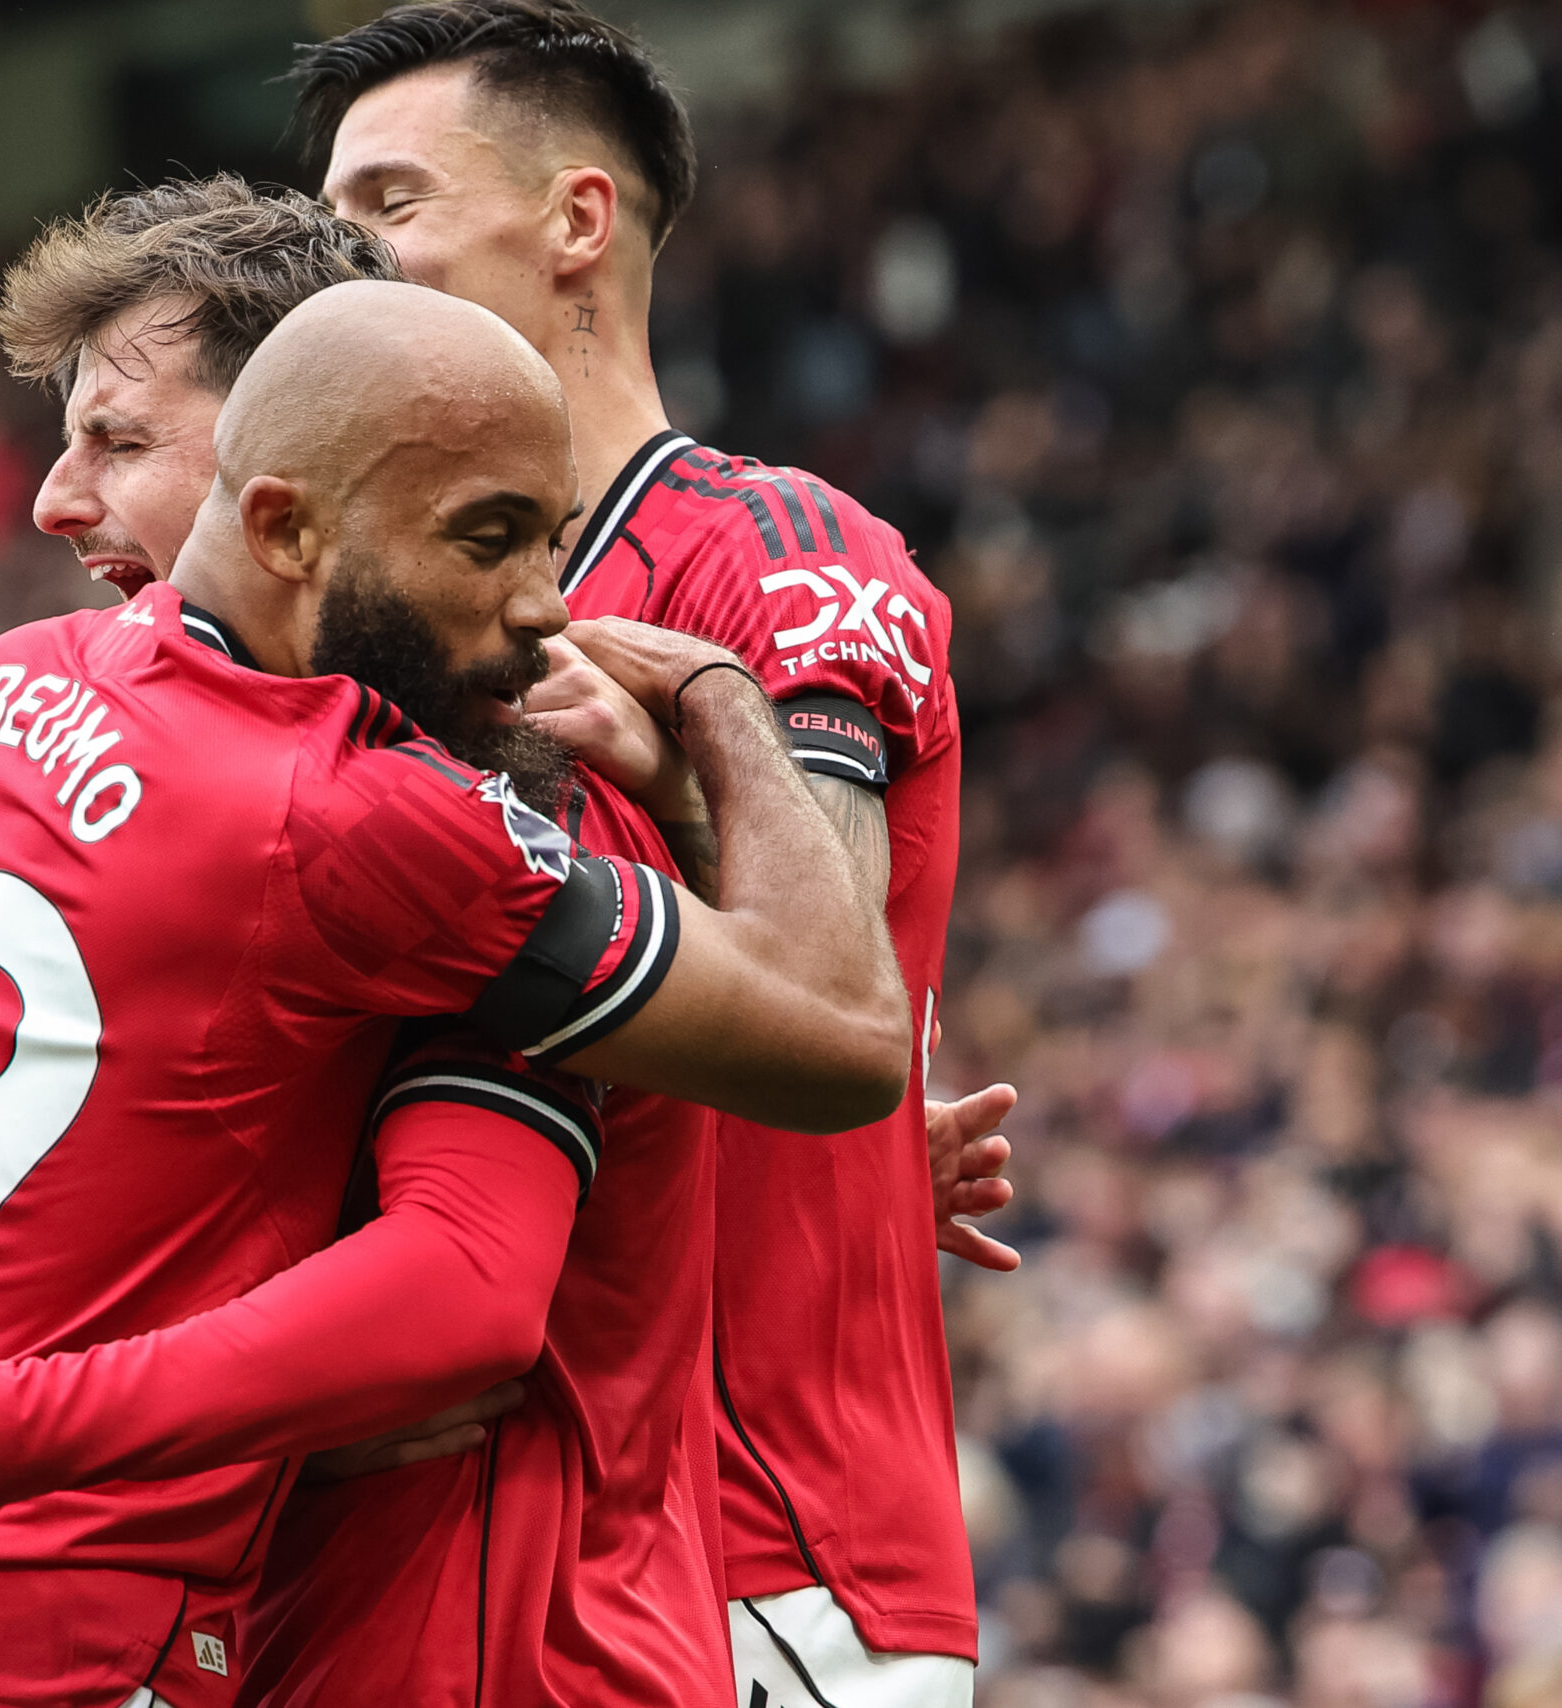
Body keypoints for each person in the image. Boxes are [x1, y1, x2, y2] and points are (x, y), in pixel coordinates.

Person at [0, 278, 910, 1707]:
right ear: (283, 522)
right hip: (19, 1653)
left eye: (552, 541)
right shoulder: (363, 815)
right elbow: (846, 1036)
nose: (549, 609)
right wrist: (726, 703)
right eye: (488, 542)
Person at [294, 4, 1008, 1704]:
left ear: (577, 224)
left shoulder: (769, 550)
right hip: (544, 1556)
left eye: (390, 200)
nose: (339, 254)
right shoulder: (410, 624)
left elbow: (817, 981)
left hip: (771, 1558)